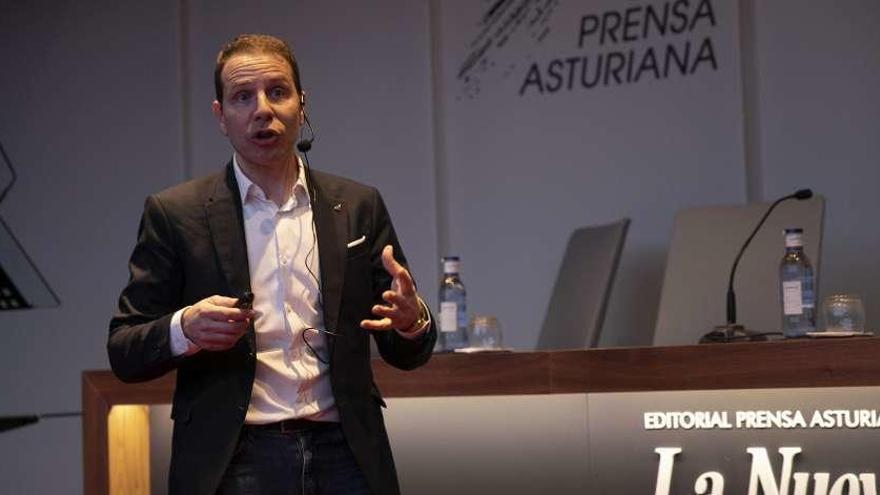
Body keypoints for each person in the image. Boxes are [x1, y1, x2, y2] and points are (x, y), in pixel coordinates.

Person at [107, 33, 436, 495]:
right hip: (235, 458)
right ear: (221, 116)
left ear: (301, 105)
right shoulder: (176, 214)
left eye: (277, 92)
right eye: (243, 97)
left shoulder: (358, 205)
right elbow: (124, 349)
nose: (262, 108)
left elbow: (408, 352)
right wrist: (185, 329)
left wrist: (410, 320)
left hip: (347, 453)